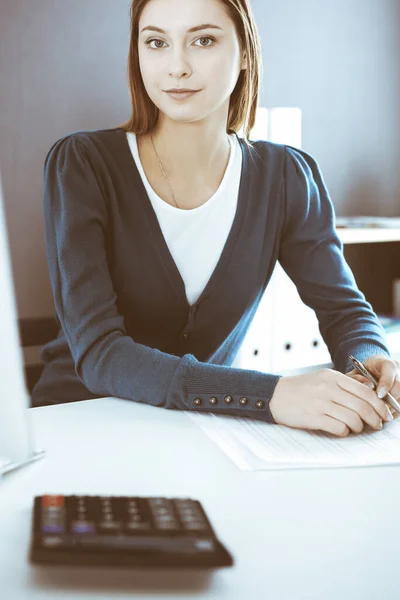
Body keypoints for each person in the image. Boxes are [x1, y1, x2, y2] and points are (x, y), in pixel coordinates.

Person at [31, 0, 400, 438]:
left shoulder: (285, 177)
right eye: (156, 43)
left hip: (203, 436)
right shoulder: (83, 165)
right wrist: (272, 395)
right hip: (77, 424)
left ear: (245, 51)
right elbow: (100, 354)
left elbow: (345, 311)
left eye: (203, 40)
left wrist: (372, 355)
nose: (177, 67)